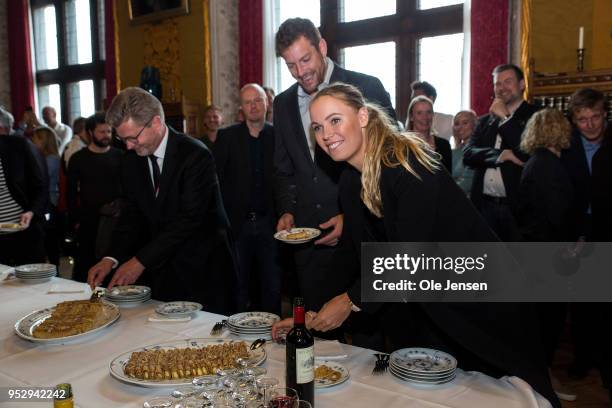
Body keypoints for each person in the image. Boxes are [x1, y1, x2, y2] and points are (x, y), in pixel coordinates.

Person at [274, 83, 559, 407]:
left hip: (483, 302)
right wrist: (306, 317)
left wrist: (350, 300)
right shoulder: (351, 179)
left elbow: (409, 258)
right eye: (318, 127)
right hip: (431, 307)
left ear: (363, 116)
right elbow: (352, 255)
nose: (326, 134)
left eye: (335, 120)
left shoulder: (407, 164)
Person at [273, 17, 396, 317]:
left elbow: (389, 161)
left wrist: (350, 215)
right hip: (309, 243)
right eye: (291, 65)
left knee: (367, 338)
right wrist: (287, 210)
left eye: (305, 59)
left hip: (361, 238)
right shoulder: (283, 103)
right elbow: (284, 167)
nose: (300, 72)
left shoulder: (366, 87)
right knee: (318, 332)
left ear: (322, 47)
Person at [87, 87, 237, 315]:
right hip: (162, 270)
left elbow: (188, 220)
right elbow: (131, 215)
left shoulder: (195, 155)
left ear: (156, 123)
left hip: (203, 267)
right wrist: (111, 257)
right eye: (122, 139)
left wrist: (139, 261)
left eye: (133, 137)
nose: (128, 146)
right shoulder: (131, 160)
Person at [517, 108, 575, 402]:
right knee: (546, 325)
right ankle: (544, 385)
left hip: (533, 253)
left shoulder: (534, 162)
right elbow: (557, 215)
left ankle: (539, 382)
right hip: (549, 255)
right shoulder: (549, 165)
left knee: (540, 323)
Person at [214, 84, 282, 315]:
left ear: (267, 103)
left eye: (258, 100)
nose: (253, 106)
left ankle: (273, 334)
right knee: (239, 285)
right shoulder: (226, 137)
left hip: (270, 225)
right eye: (248, 102)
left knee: (272, 285)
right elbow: (216, 183)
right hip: (237, 225)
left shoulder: (278, 136)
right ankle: (239, 335)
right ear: (241, 108)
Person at [560, 88, 612, 391]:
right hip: (580, 230)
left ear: (604, 114)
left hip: (609, 227)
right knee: (582, 300)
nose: (590, 125)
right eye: (582, 119)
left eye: (595, 117)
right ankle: (583, 358)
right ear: (574, 120)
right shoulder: (567, 146)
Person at [463, 64, 538, 241]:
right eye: (498, 84)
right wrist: (500, 155)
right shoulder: (484, 121)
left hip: (517, 209)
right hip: (484, 206)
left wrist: (506, 118)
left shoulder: (536, 116)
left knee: (519, 265)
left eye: (508, 82)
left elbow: (526, 153)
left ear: (522, 85)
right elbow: (468, 153)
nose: (502, 87)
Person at [67, 112, 123, 283]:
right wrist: (74, 220)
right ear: (91, 132)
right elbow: (70, 193)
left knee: (113, 266)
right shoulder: (78, 158)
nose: (106, 136)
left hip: (115, 222)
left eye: (109, 131)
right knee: (86, 269)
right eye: (101, 132)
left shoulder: (120, 156)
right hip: (88, 222)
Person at [0, 106, 48, 265]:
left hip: (24, 231)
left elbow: (40, 185)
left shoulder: (19, 146)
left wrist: (32, 211)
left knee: (31, 282)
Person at [31, 126, 61, 267]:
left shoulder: (51, 159)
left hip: (49, 202)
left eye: (35, 138)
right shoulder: (44, 158)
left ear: (43, 140)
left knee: (50, 239)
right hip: (46, 201)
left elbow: (42, 180)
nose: (32, 141)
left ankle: (53, 269)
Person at [405, 95, 452, 172]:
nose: (425, 117)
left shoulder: (444, 145)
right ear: (411, 117)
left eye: (428, 112)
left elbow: (448, 179)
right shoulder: (403, 145)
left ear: (433, 115)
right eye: (419, 113)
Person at [451, 110, 477, 195]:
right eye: (457, 124)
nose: (460, 127)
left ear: (474, 125)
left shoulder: (478, 151)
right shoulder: (452, 152)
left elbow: (468, 181)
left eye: (465, 123)